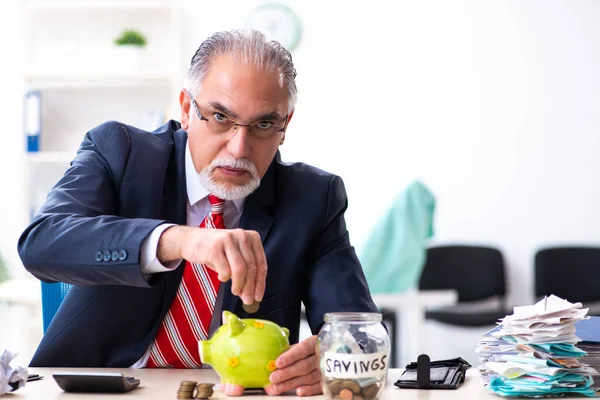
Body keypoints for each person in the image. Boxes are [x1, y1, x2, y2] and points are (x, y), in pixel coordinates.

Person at [18, 29, 377, 396]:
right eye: (220, 116)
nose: (239, 148)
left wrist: (333, 359)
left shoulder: (314, 198)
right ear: (187, 109)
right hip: (95, 391)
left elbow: (358, 335)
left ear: (285, 127)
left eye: (264, 125)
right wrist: (177, 240)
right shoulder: (119, 152)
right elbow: (40, 242)